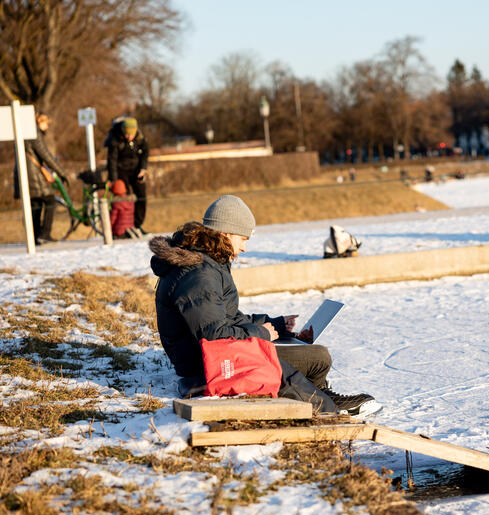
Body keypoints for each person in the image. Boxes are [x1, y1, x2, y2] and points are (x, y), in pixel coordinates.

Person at [148, 195, 377, 415]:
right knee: (293, 365)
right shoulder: (198, 274)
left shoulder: (208, 263)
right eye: (243, 239)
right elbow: (215, 337)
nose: (245, 248)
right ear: (226, 233)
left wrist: (275, 325)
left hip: (215, 357)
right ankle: (328, 410)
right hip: (208, 367)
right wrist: (261, 334)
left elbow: (227, 317)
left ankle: (323, 397)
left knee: (317, 357)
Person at [13, 110, 73, 244]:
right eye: (46, 123)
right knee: (50, 200)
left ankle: (34, 237)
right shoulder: (34, 134)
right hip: (33, 174)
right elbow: (45, 155)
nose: (48, 126)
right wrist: (61, 172)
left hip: (25, 173)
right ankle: (44, 233)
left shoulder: (24, 132)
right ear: (39, 122)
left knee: (36, 204)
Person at [106, 117, 149, 234]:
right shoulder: (115, 139)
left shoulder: (140, 138)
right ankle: (124, 227)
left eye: (131, 134)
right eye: (126, 134)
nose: (128, 137)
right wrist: (114, 180)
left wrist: (143, 169)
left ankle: (137, 225)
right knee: (124, 200)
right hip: (121, 171)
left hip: (136, 170)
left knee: (141, 197)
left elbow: (145, 153)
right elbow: (112, 161)